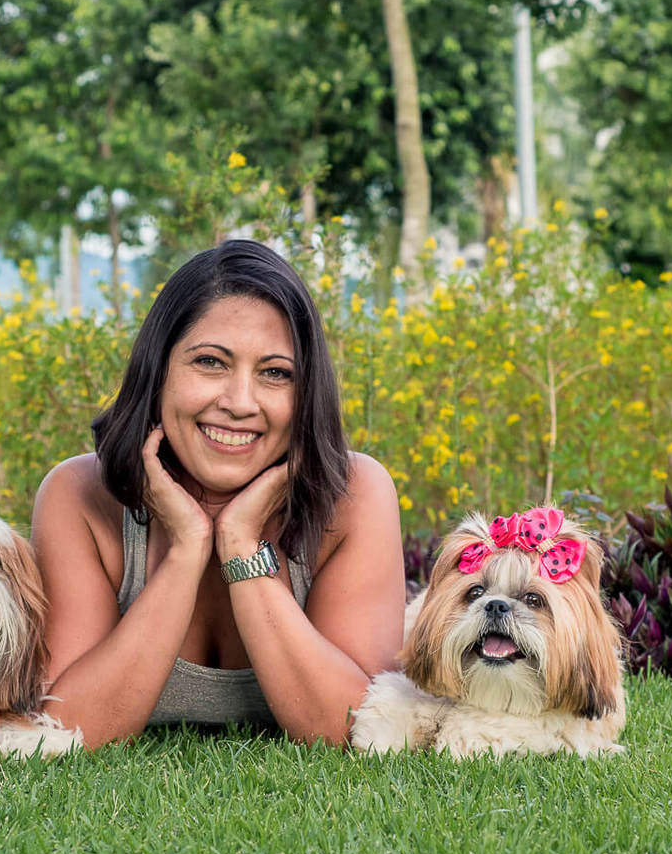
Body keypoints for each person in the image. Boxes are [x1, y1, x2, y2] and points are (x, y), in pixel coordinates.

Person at [31, 239, 405, 748]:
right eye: (210, 362)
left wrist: (240, 544)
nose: (239, 403)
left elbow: (351, 730)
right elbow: (68, 730)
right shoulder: (79, 497)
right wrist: (186, 549)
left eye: (275, 373)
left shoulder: (354, 495)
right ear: (158, 370)